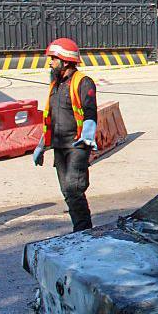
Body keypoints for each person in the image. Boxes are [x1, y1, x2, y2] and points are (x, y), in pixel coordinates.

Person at [32, 38, 99, 232]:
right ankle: (81, 229)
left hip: (78, 145)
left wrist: (88, 134)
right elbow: (50, 117)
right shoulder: (56, 85)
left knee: (73, 187)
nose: (50, 62)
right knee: (68, 192)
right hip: (59, 146)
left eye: (53, 58)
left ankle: (83, 231)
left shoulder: (83, 82)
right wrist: (41, 146)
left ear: (66, 60)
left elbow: (89, 111)